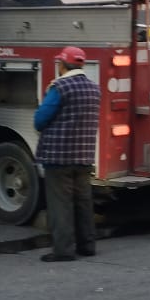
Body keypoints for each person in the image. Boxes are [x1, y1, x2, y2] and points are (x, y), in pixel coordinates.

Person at [34, 45, 101, 262]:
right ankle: (87, 245)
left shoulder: (59, 88)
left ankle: (63, 250)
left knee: (60, 203)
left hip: (58, 156)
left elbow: (40, 120)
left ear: (62, 65)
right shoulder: (94, 88)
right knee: (83, 201)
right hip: (84, 155)